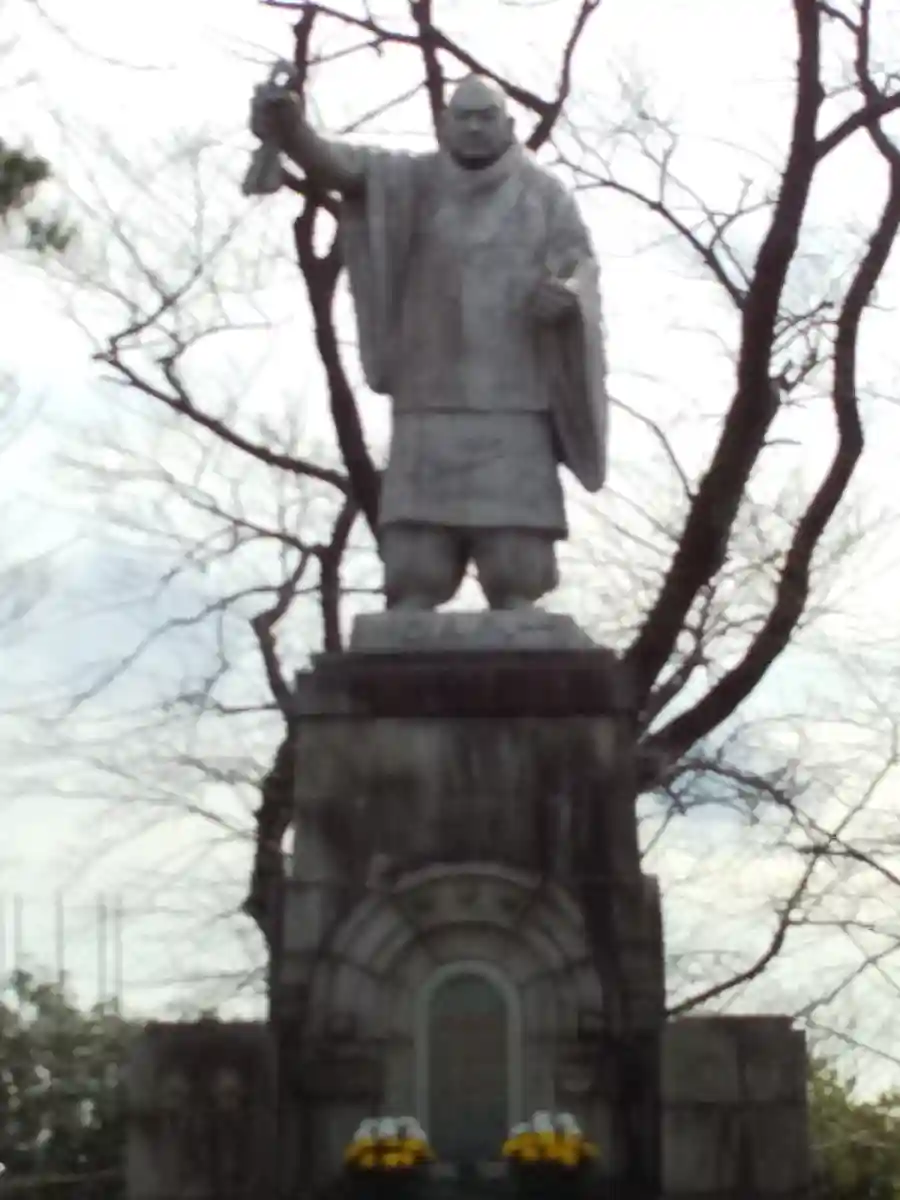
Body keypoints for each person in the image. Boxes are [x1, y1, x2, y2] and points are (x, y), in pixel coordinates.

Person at [249, 72, 610, 611]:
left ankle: (515, 601)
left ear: (510, 125)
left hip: (515, 403)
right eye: (463, 117)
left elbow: (579, 268)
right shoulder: (408, 182)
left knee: (517, 567)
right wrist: (291, 128)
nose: (474, 127)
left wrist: (566, 297)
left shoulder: (545, 196)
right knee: (416, 567)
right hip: (428, 398)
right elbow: (338, 164)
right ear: (444, 124)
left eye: (486, 117)